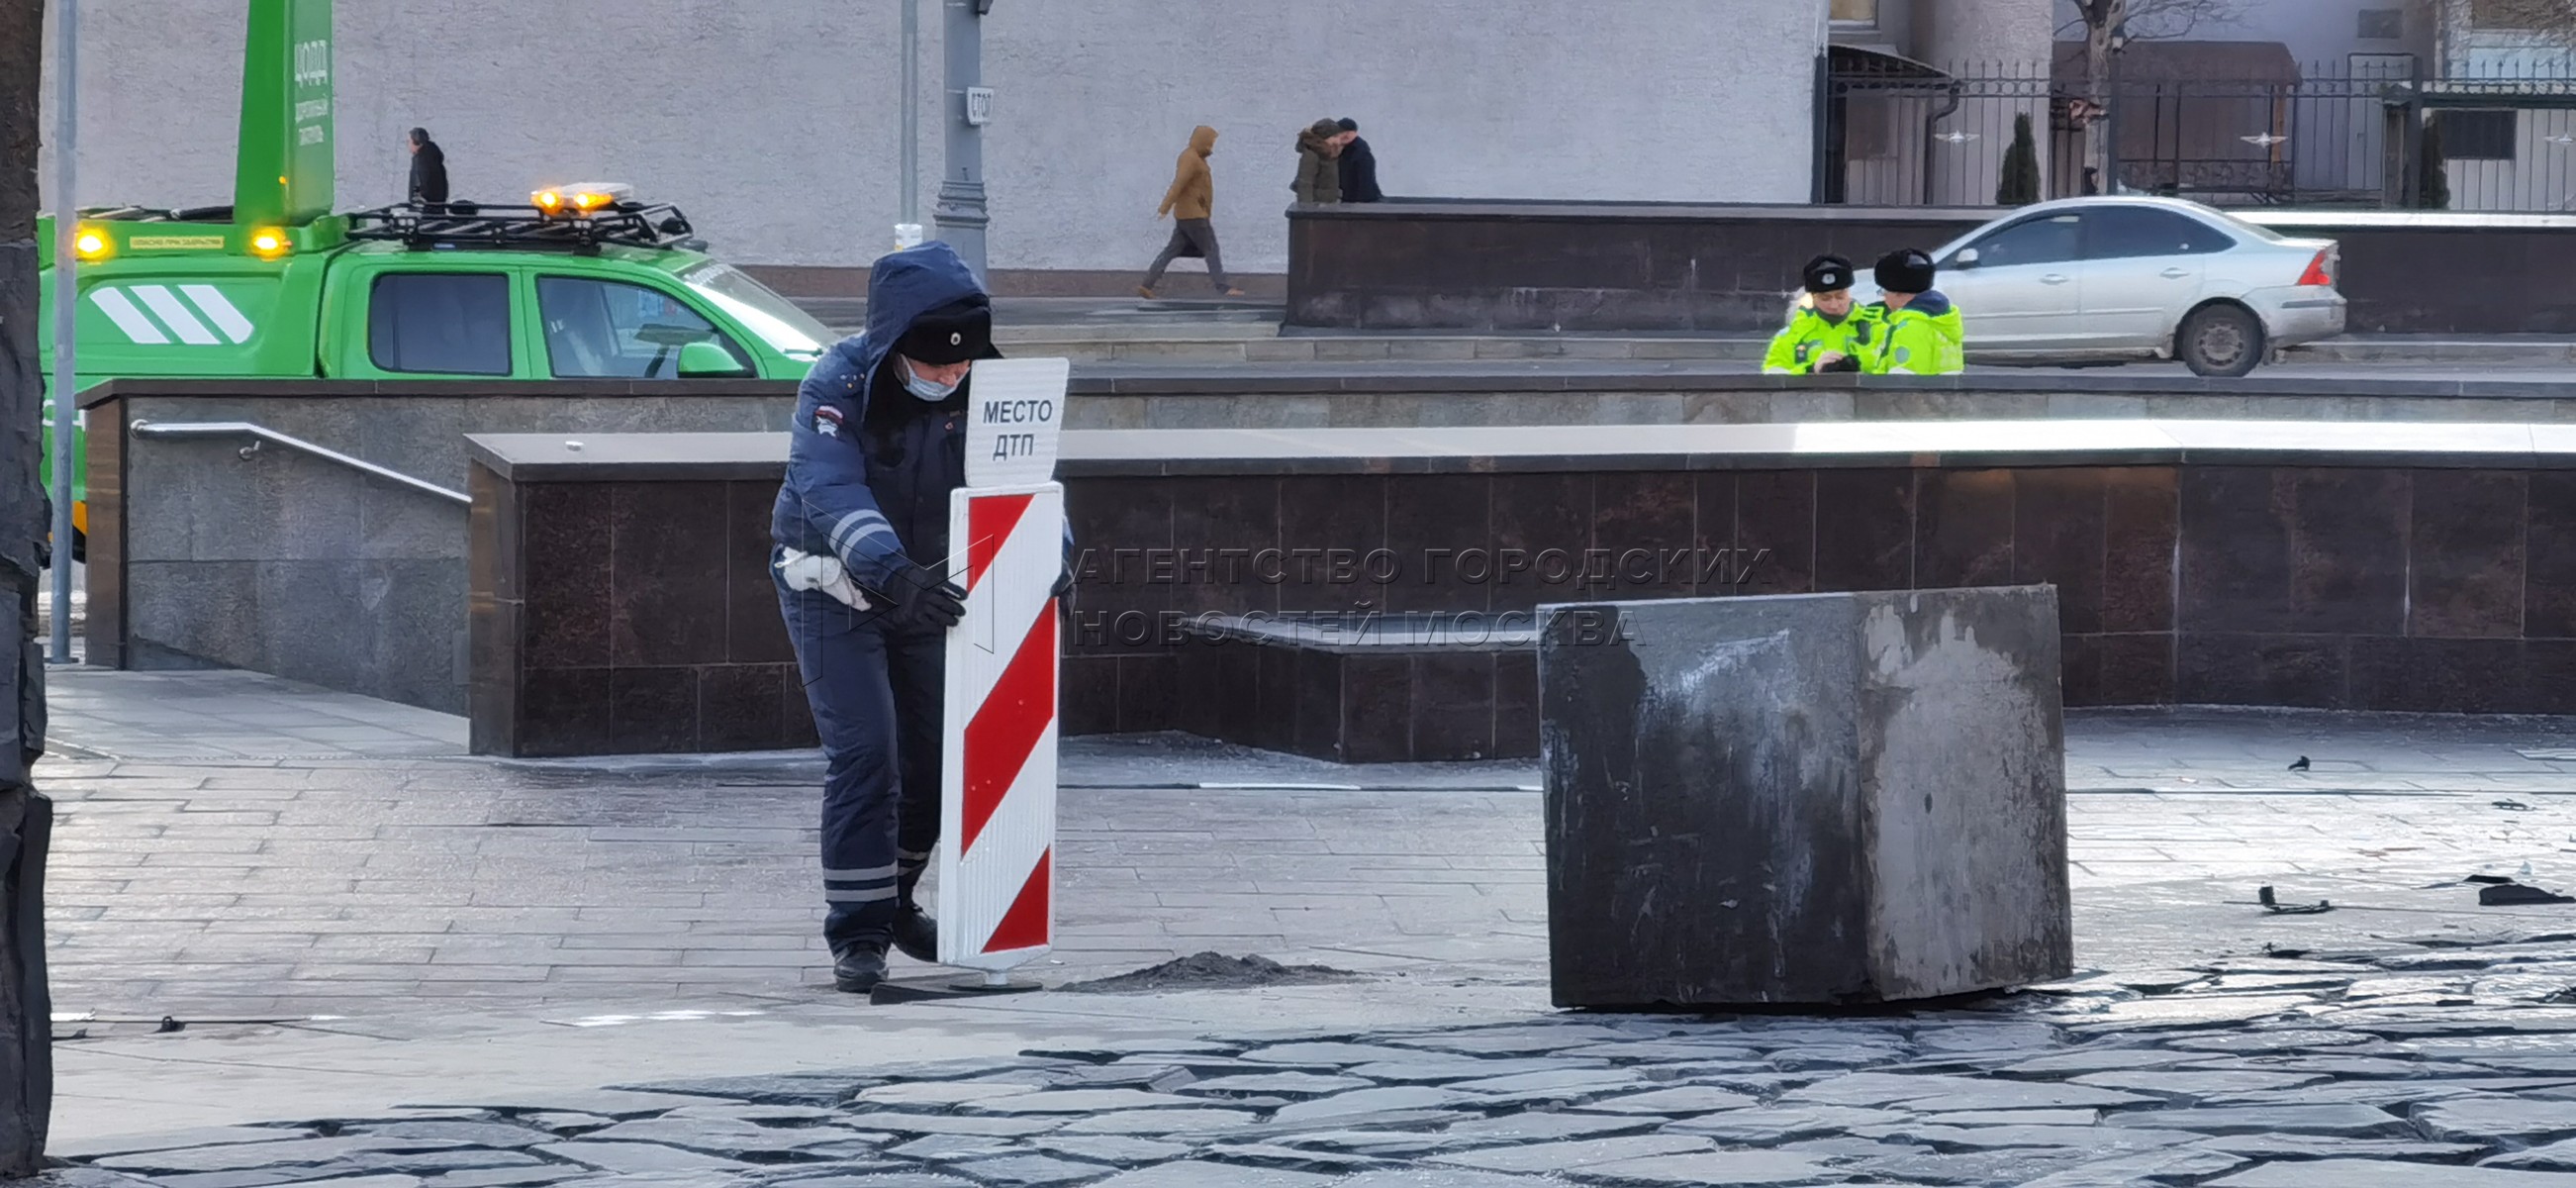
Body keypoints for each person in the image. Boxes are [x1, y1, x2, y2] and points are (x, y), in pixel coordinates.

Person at [770, 241, 1071, 994]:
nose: (951, 376)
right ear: (895, 343)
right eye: (936, 364)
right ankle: (860, 934)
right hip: (833, 585)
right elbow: (828, 490)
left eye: (961, 363)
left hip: (931, 588)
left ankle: (898, 898)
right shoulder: (836, 383)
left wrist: (1050, 553)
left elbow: (1028, 476)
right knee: (869, 752)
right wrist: (891, 572)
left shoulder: (988, 379)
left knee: (942, 760)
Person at [1139, 126, 1245, 299]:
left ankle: (1147, 285)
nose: (1211, 146)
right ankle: (1223, 287)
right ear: (1201, 140)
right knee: (1211, 249)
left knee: (1172, 250)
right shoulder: (1191, 158)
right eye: (1210, 142)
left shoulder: (1195, 157)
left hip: (1187, 214)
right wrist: (1164, 207)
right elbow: (1178, 183)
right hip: (1194, 215)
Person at [1763, 254, 1879, 375]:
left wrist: (1858, 366)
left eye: (1840, 297)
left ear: (1849, 293)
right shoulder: (1791, 336)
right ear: (1813, 297)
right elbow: (1773, 376)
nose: (1834, 305)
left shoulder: (1876, 326)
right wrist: (1811, 370)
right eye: (1825, 299)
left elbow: (1893, 370)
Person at [1860, 248, 1965, 376]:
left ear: (1898, 293)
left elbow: (1900, 380)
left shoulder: (1910, 327)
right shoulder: (1944, 318)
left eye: (1884, 292)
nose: (1884, 299)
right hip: (1944, 395)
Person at [1293, 119, 1345, 205]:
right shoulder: (1311, 154)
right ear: (1325, 138)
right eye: (1335, 136)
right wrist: (1306, 210)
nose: (1338, 141)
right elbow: (1305, 183)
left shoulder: (1329, 153)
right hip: (1318, 208)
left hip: (1330, 205)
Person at [1334, 118, 1382, 203]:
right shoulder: (1343, 150)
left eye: (1341, 132)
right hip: (1350, 200)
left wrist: (1360, 204)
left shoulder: (1361, 153)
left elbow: (1365, 182)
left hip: (1359, 202)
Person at [407, 128, 448, 208]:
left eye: (409, 141)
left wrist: (418, 199)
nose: (408, 144)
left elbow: (422, 180)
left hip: (425, 208)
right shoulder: (432, 155)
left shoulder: (422, 158)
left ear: (416, 141)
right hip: (437, 205)